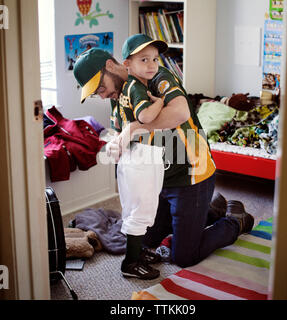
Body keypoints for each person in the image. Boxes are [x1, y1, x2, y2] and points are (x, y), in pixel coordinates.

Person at [73, 35, 254, 269]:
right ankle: (210, 209)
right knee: (145, 241)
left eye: (100, 87)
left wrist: (135, 128)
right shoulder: (120, 94)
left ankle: (234, 222)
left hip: (189, 174)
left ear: (110, 66)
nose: (102, 95)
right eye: (95, 93)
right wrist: (115, 142)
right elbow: (125, 133)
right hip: (158, 181)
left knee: (184, 257)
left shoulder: (157, 77)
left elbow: (180, 113)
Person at [111, 35, 169, 280]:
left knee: (134, 206)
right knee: (143, 208)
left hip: (131, 156)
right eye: (143, 59)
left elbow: (116, 120)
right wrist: (161, 103)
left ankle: (138, 250)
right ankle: (130, 264)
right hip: (142, 154)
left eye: (155, 59)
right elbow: (145, 117)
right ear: (127, 64)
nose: (152, 65)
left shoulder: (125, 88)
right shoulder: (136, 87)